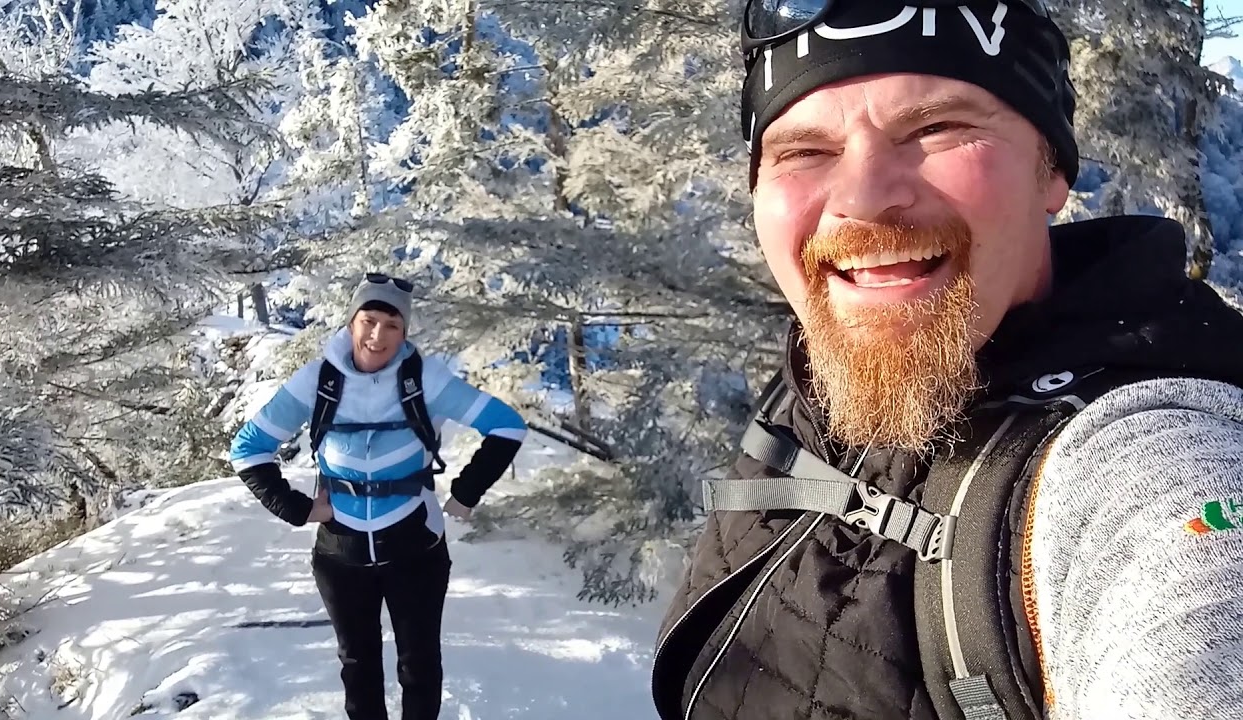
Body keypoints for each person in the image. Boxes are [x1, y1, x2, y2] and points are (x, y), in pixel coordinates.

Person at [651, 1, 1243, 719]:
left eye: (937, 128)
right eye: (804, 152)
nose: (864, 201)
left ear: (1051, 171)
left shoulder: (1158, 462)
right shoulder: (817, 380)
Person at [230, 274, 527, 720]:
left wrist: (466, 493)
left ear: (404, 332)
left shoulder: (426, 379)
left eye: (392, 325)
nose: (377, 335)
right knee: (357, 665)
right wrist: (295, 508)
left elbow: (506, 426)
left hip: (416, 548)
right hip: (340, 552)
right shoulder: (319, 380)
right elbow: (248, 449)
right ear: (351, 323)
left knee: (420, 665)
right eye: (368, 320)